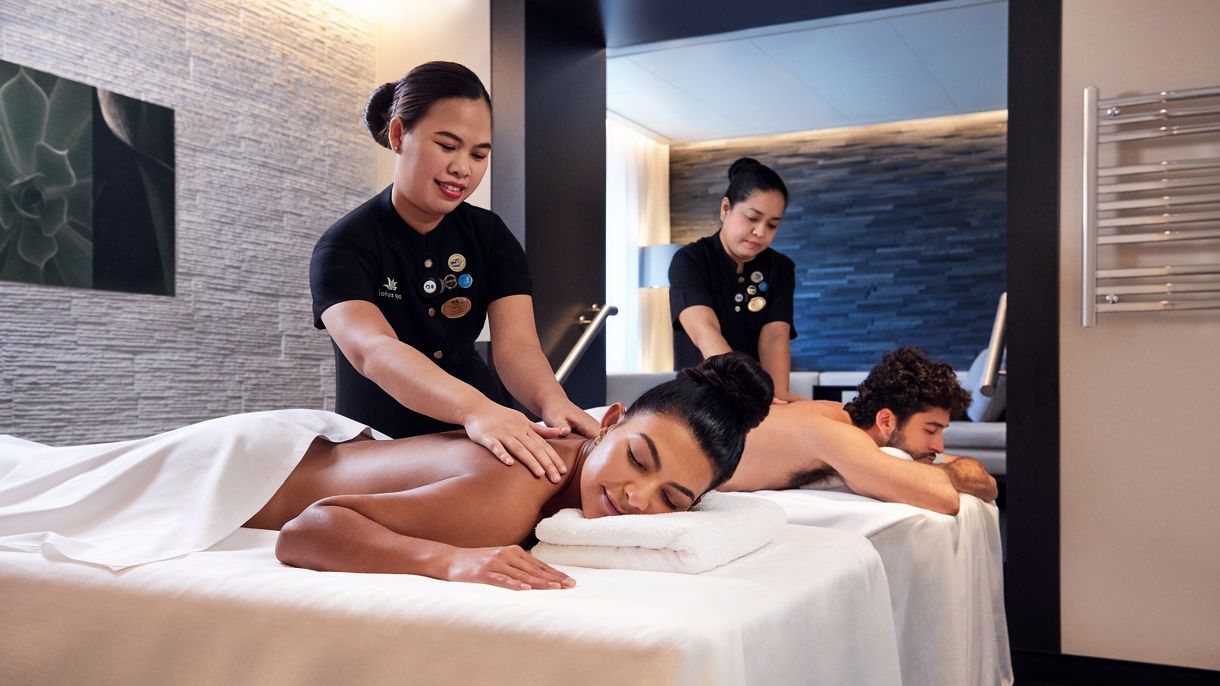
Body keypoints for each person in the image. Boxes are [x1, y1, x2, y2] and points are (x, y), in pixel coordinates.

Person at [0, 354, 773, 591]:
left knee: (46, 470)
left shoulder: (565, 459)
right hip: (243, 466)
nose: (634, 498)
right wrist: (450, 560)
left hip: (307, 445)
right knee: (30, 489)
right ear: (604, 422)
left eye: (670, 500)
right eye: (636, 458)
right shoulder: (513, 491)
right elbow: (309, 531)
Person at [310, 61, 596, 484]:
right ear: (398, 135)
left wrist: (553, 402)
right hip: (383, 445)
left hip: (481, 428)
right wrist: (474, 409)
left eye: (479, 154)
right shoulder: (345, 244)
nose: (464, 168)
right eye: (447, 146)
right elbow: (373, 350)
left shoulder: (489, 235)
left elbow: (516, 347)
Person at [721, 347, 998, 514]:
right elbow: (943, 498)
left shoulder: (849, 424)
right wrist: (950, 475)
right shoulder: (834, 434)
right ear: (886, 421)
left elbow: (987, 484)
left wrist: (952, 471)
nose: (939, 446)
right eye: (931, 430)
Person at [668, 157, 802, 401]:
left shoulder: (780, 268)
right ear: (726, 208)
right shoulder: (691, 260)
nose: (760, 232)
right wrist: (745, 392)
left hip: (758, 397)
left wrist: (777, 398)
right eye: (752, 218)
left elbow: (774, 337)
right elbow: (705, 331)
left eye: (772, 225)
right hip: (700, 396)